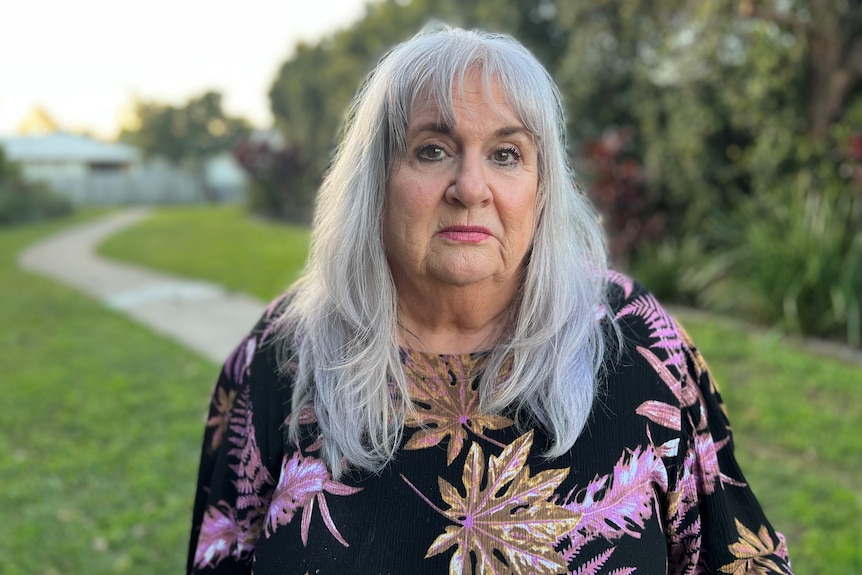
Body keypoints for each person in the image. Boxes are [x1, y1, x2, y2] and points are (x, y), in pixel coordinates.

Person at [188, 27, 793, 574]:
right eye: (432, 149)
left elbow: (737, 556)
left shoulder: (638, 342)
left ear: (542, 186)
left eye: (506, 155)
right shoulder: (287, 352)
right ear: (376, 178)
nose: (471, 188)